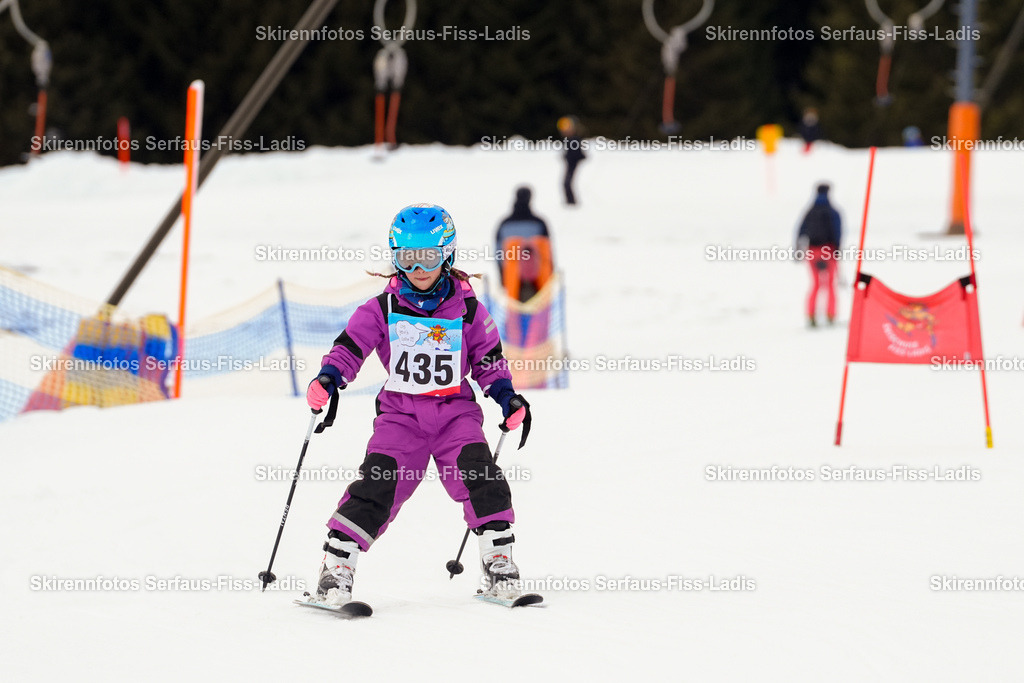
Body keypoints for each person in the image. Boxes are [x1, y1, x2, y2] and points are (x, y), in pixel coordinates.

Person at [305, 204, 533, 606]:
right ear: (395, 257)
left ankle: (500, 565)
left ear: (447, 254)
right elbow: (350, 347)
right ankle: (335, 571)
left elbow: (489, 363)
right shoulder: (382, 308)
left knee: (481, 474)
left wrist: (506, 397)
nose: (418, 267)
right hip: (400, 417)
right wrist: (329, 378)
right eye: (406, 257)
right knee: (378, 483)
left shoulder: (468, 311)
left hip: (455, 413)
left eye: (428, 256)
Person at [795, 183, 842, 327]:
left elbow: (800, 230)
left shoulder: (809, 211)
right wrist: (837, 249)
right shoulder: (833, 211)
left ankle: (811, 315)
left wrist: (797, 249)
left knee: (815, 284)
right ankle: (831, 315)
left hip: (812, 251)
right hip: (828, 250)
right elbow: (838, 231)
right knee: (830, 284)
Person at [495, 186, 551, 294]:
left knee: (514, 307)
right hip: (538, 277)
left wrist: (501, 274)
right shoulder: (539, 223)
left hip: (511, 275)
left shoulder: (505, 224)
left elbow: (498, 251)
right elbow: (547, 252)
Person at [557, 116, 586, 205]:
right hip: (570, 163)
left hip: (572, 163)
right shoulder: (570, 139)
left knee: (567, 183)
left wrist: (568, 157)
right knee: (566, 183)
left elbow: (577, 153)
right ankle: (570, 202)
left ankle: (571, 202)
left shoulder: (574, 139)